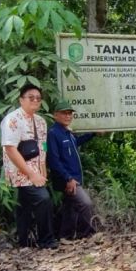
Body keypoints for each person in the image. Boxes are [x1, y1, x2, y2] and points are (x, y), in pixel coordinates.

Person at [1, 83, 58, 249]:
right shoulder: (12, 120)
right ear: (21, 100)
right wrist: (31, 174)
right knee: (43, 199)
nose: (35, 100)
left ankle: (24, 240)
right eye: (30, 97)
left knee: (24, 206)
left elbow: (43, 147)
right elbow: (10, 149)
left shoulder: (40, 121)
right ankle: (46, 240)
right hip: (20, 172)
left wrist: (41, 170)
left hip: (37, 172)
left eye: (38, 98)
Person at [46, 99, 97, 240]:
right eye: (64, 113)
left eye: (70, 114)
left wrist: (93, 133)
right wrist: (68, 179)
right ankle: (88, 235)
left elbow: (76, 142)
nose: (68, 116)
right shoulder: (53, 133)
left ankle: (65, 237)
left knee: (70, 208)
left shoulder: (67, 132)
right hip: (68, 179)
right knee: (86, 204)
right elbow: (54, 160)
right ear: (55, 115)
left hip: (75, 177)